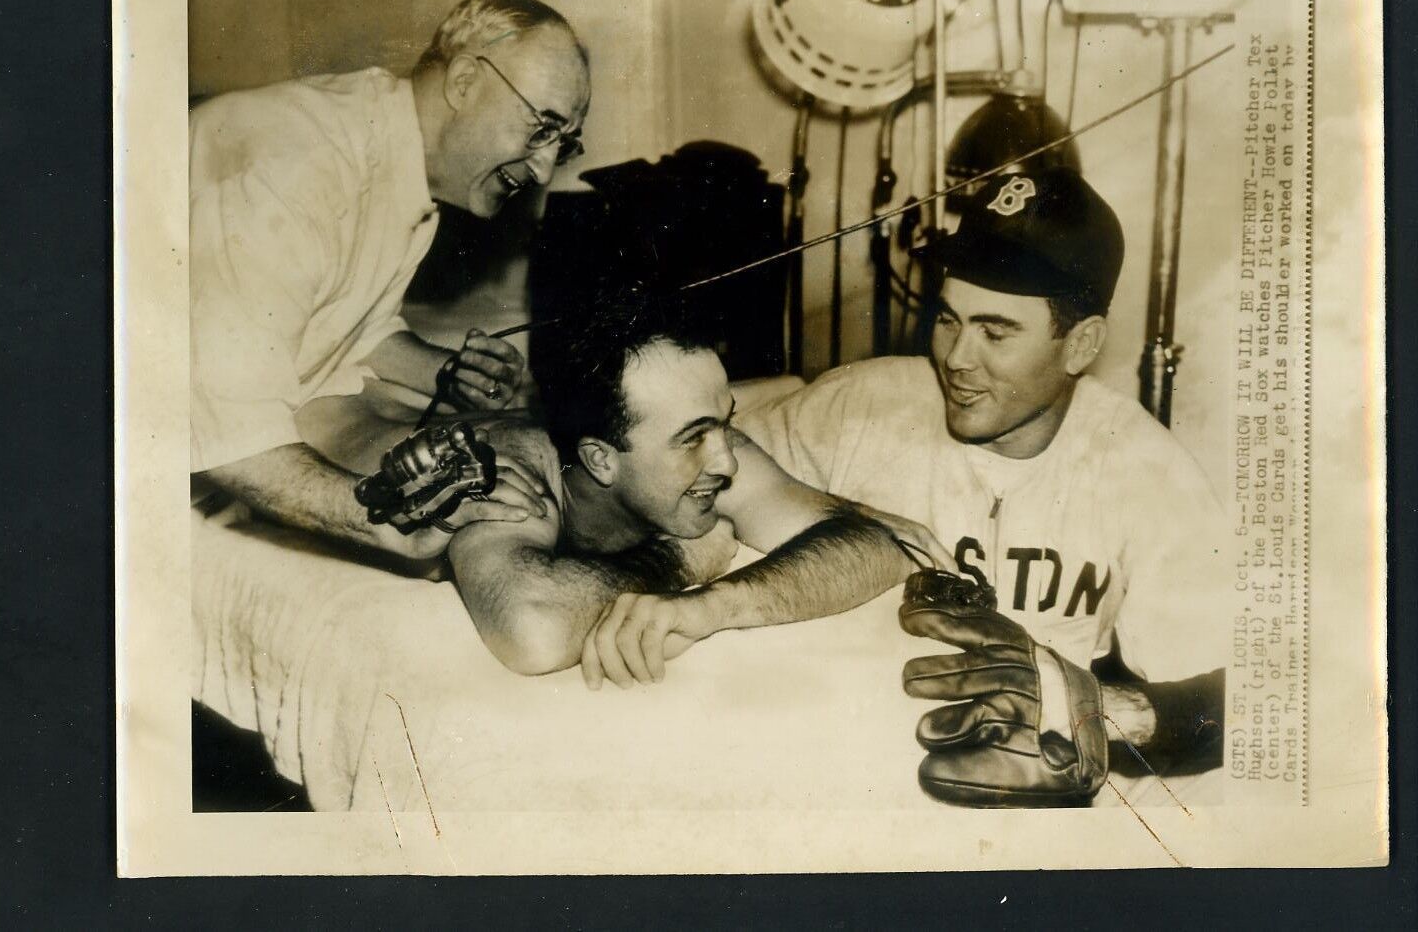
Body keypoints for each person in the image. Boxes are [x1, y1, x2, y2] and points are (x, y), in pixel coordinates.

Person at [738, 169, 1229, 798]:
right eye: (948, 320)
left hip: (1027, 811)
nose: (957, 357)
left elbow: (1240, 694)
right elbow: (692, 458)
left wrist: (1091, 709)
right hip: (840, 773)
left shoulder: (1144, 468)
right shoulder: (862, 405)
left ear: (1081, 344)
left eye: (995, 332)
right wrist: (843, 511)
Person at [305, 287, 952, 684]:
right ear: (600, 459)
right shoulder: (508, 474)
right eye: (693, 435)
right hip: (331, 413)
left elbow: (886, 545)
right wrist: (680, 559)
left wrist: (715, 604)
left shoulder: (709, 455)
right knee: (340, 396)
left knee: (781, 396)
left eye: (722, 423)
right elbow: (531, 630)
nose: (726, 459)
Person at [190, 0, 591, 559]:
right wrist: (394, 520)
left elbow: (347, 327)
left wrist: (444, 372)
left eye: (564, 143)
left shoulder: (398, 159)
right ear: (464, 82)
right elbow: (231, 435)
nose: (545, 167)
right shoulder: (298, 170)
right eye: (541, 127)